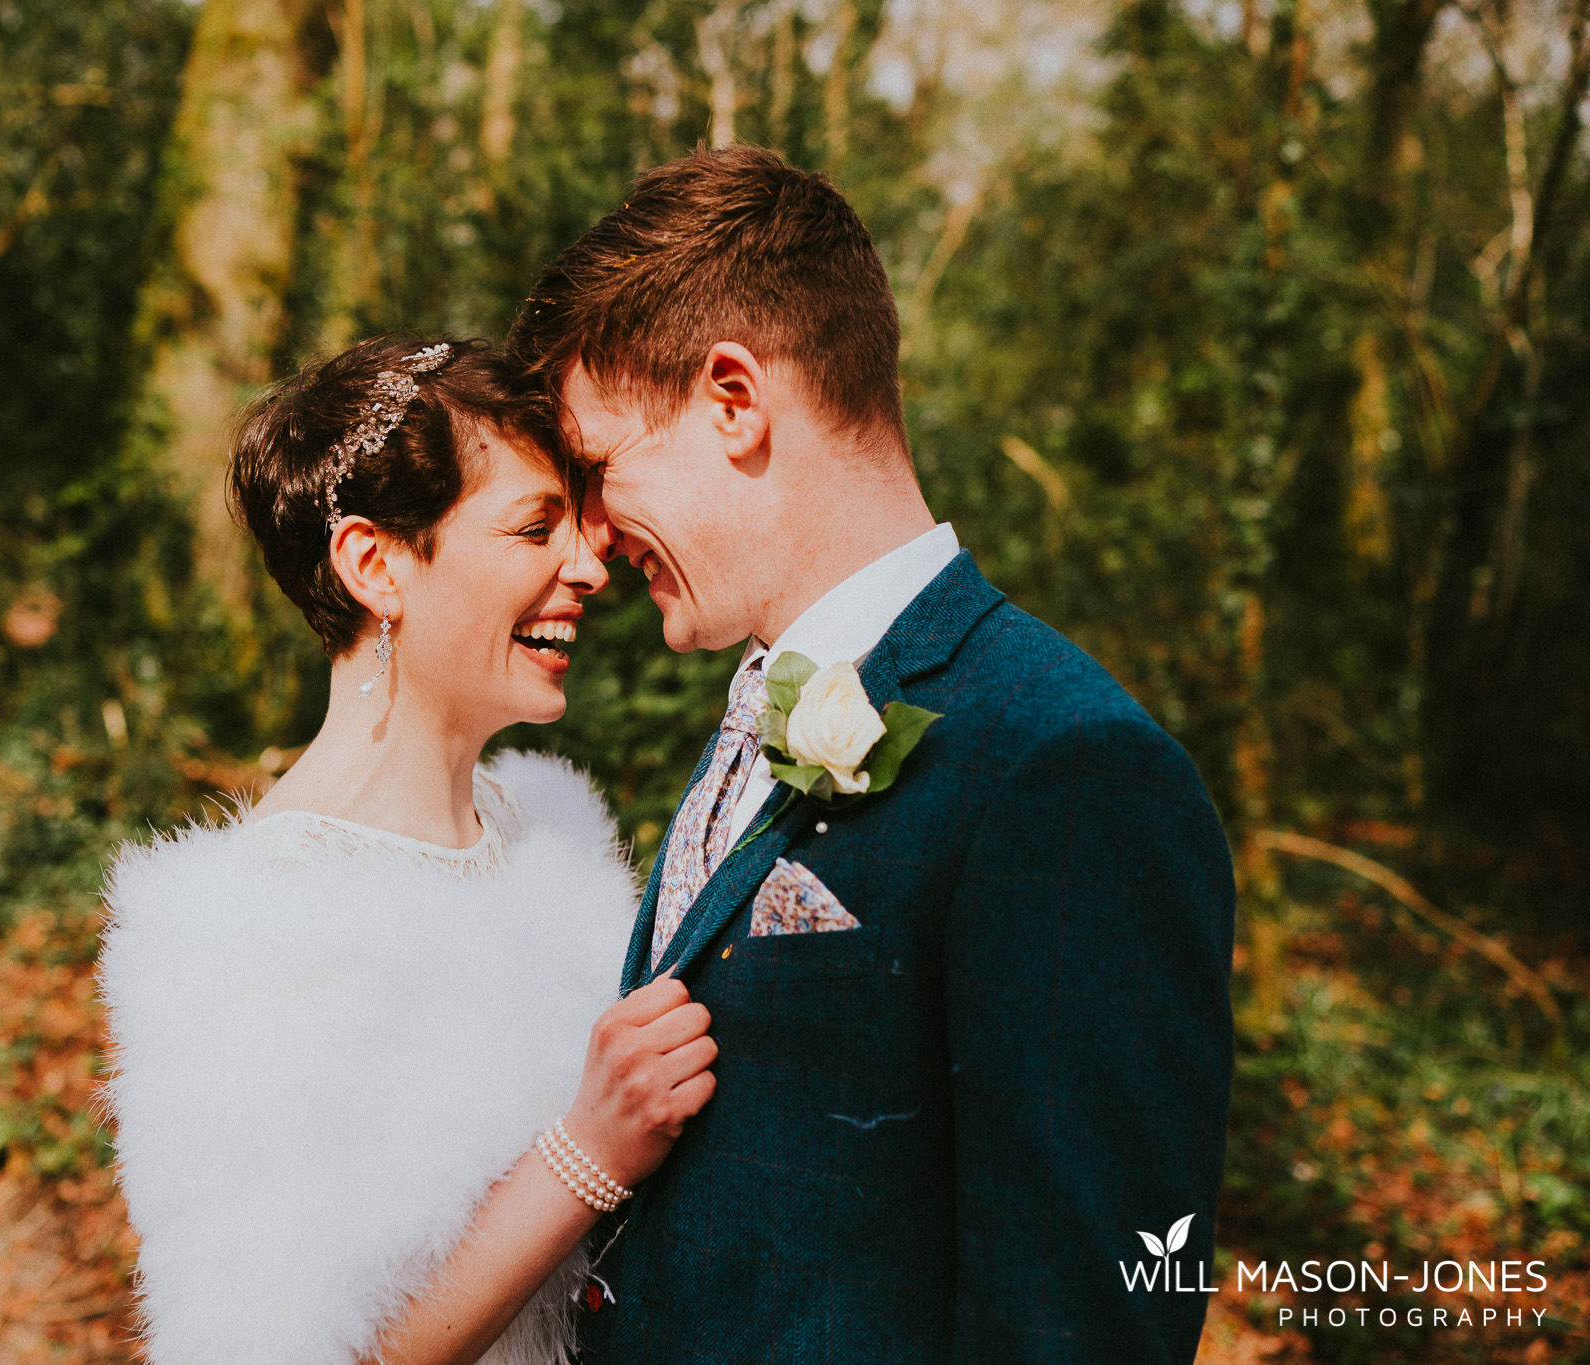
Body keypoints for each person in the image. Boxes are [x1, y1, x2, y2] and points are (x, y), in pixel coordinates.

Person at [506, 145, 1236, 1362]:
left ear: (733, 400)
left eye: (596, 467)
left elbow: (1081, 1323)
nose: (586, 532)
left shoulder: (1066, 768)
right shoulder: (760, 697)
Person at [94, 337, 717, 1365]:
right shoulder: (237, 930)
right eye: (533, 527)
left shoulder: (551, 835)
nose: (587, 566)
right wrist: (586, 1155)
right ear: (375, 565)